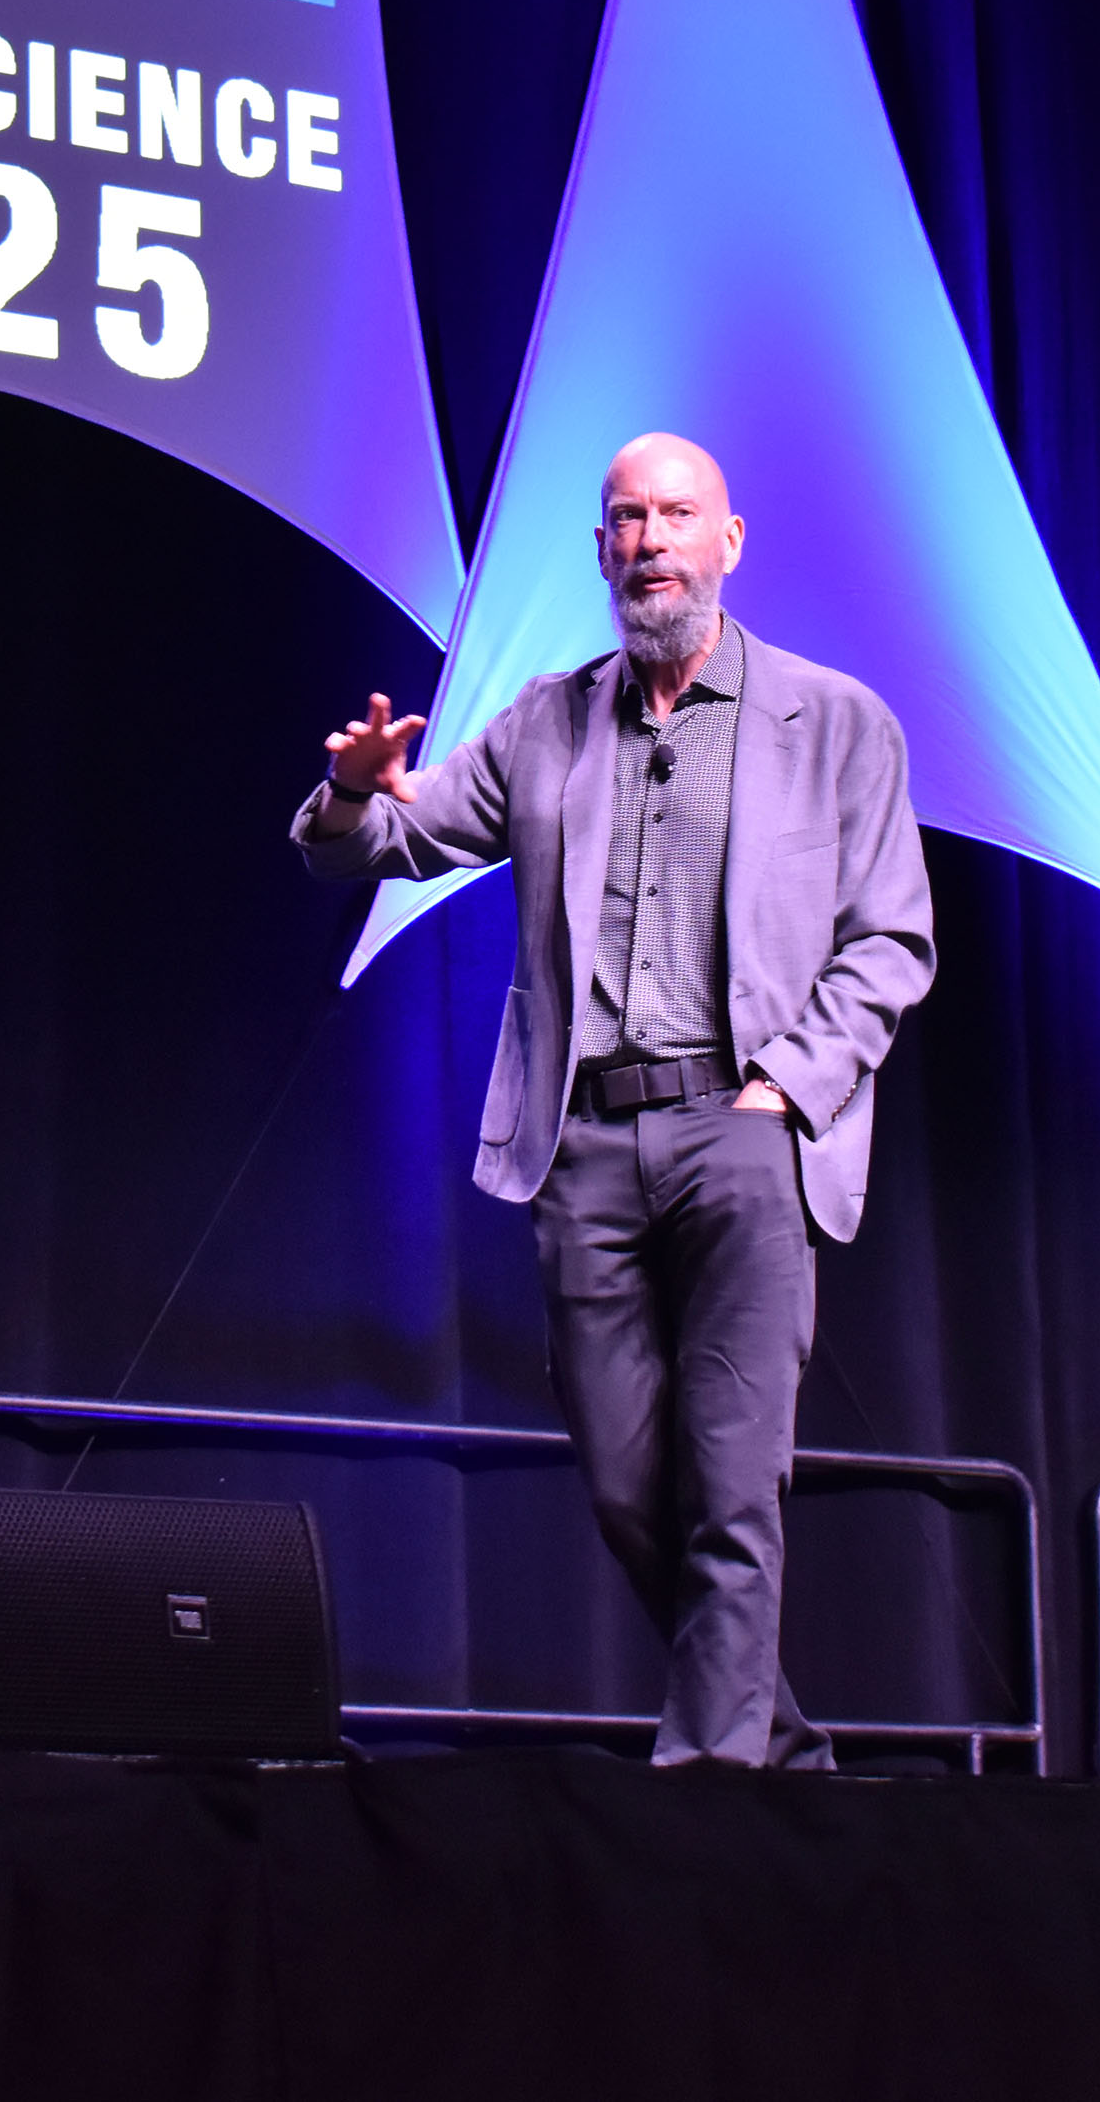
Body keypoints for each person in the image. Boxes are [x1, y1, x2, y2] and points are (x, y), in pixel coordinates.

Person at [294, 432, 934, 1769]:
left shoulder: (836, 723)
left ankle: (704, 1785)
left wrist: (783, 1093)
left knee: (735, 1480)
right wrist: (352, 789)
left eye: (676, 515)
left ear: (728, 542)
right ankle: (782, 1750)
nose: (649, 541)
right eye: (626, 520)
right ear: (600, 551)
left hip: (744, 1135)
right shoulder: (545, 723)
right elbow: (391, 842)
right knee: (634, 1484)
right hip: (584, 1147)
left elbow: (892, 944)